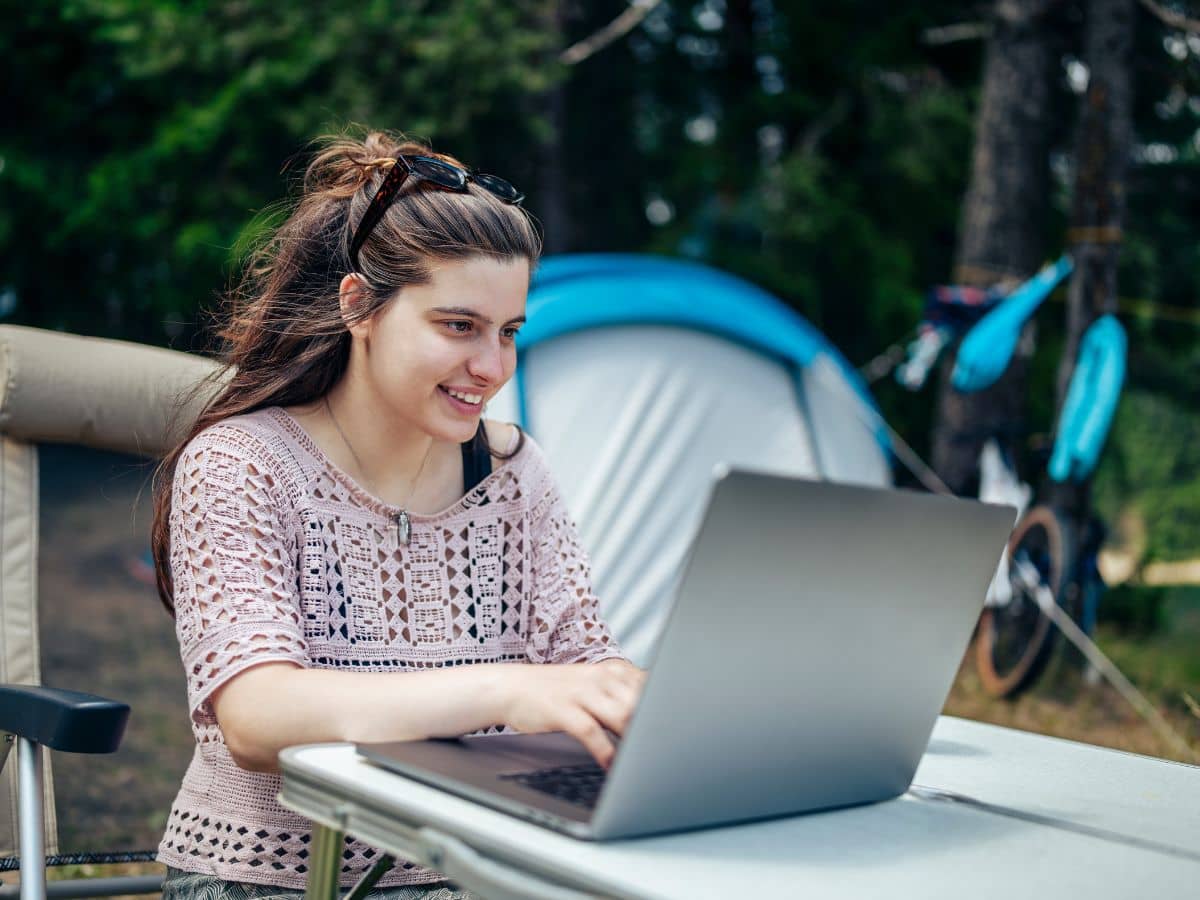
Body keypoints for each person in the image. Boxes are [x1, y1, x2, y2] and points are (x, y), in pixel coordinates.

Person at [149, 130, 644, 900]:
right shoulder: (243, 463)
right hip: (271, 880)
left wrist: (622, 692)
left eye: (508, 332)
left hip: (474, 869)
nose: (492, 368)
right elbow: (256, 716)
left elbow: (582, 663)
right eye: (459, 326)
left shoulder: (513, 473)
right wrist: (510, 689)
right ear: (360, 307)